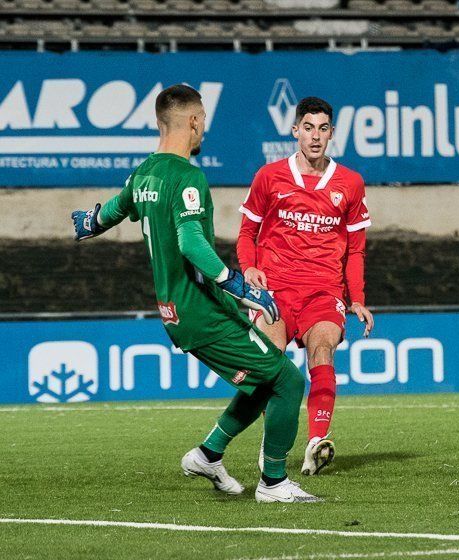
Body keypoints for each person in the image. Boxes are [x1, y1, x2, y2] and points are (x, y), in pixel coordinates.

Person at [71, 84, 319, 503]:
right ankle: (274, 483)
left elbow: (107, 214)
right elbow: (190, 241)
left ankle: (209, 454)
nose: (204, 129)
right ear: (193, 121)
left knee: (262, 382)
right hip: (200, 310)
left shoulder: (143, 174)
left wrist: (88, 222)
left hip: (179, 310)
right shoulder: (188, 178)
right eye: (202, 121)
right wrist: (236, 283)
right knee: (289, 382)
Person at [237, 96, 373, 476]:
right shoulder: (269, 177)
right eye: (308, 127)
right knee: (271, 365)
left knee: (323, 350)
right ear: (295, 130)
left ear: (332, 134)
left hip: (323, 290)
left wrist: (357, 299)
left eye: (323, 128)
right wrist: (249, 269)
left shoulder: (350, 183)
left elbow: (357, 250)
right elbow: (247, 233)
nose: (315, 136)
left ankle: (316, 441)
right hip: (275, 290)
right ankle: (273, 444)